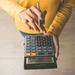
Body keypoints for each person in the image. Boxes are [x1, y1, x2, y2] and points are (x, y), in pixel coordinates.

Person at [0, 0, 75, 58]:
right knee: (30, 42)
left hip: (51, 26)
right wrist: (18, 11)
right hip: (24, 26)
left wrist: (55, 29)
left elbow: (68, 4)